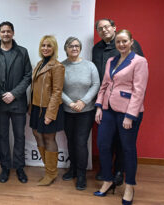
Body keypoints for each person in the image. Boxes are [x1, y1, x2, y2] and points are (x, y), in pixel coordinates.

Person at [93, 30, 148, 205]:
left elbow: (139, 91)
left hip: (128, 111)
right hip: (108, 109)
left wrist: (130, 116)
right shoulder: (111, 60)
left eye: (125, 41)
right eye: (118, 42)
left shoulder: (139, 61)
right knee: (103, 144)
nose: (121, 44)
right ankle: (108, 180)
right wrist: (99, 106)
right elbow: (104, 85)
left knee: (127, 149)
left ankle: (130, 186)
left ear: (131, 41)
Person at [0, 21, 32, 184]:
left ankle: (19, 167)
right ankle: (5, 167)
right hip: (0, 103)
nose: (6, 34)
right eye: (3, 31)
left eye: (8, 31)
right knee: (3, 136)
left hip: (18, 102)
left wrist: (14, 94)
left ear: (13, 33)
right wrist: (3, 94)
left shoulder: (22, 52)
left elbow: (27, 76)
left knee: (19, 136)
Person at [61, 37, 100, 190]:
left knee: (81, 142)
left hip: (86, 111)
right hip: (67, 111)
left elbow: (96, 84)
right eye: (71, 46)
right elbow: (57, 88)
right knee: (70, 140)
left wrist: (83, 101)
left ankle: (82, 174)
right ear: (66, 48)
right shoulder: (61, 66)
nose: (74, 48)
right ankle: (73, 169)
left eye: (77, 46)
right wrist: (70, 103)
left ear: (80, 48)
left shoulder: (90, 66)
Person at [29, 35, 65, 186]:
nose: (45, 48)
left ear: (54, 48)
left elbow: (57, 92)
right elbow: (34, 88)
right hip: (37, 107)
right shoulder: (39, 64)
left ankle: (51, 173)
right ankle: (49, 169)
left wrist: (50, 114)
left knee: (49, 138)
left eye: (49, 46)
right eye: (43, 45)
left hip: (50, 107)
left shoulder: (57, 66)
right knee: (37, 134)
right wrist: (31, 107)